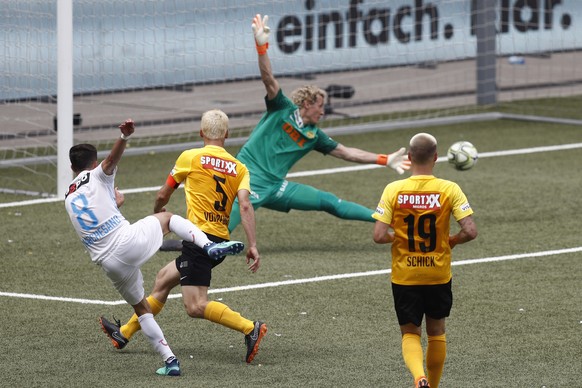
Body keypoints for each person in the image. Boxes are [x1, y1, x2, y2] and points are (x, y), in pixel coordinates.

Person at [64, 119, 245, 376]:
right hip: (126, 241)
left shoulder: (69, 196)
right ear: (93, 164)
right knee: (169, 218)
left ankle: (170, 360)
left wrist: (115, 204)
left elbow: (98, 217)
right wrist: (124, 138)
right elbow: (111, 161)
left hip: (109, 264)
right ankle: (208, 245)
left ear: (72, 167)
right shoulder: (98, 173)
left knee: (142, 310)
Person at [99, 109, 267, 364]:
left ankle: (250, 328)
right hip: (218, 238)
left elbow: (163, 194)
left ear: (201, 133)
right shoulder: (240, 168)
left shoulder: (190, 157)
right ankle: (124, 334)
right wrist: (252, 244)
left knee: (196, 305)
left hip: (199, 240)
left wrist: (158, 215)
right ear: (227, 135)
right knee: (163, 280)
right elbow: (245, 206)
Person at [224, 14, 411, 231]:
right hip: (248, 178)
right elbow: (268, 78)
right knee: (218, 236)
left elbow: (347, 153)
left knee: (329, 202)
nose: (323, 112)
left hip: (275, 186)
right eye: (320, 106)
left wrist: (385, 159)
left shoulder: (315, 135)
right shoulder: (282, 107)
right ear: (306, 103)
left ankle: (390, 220)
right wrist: (261, 46)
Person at [372, 133, 478, 388]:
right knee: (437, 333)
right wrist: (451, 240)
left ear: (409, 158)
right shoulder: (449, 189)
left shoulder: (394, 189)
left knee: (410, 333)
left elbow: (378, 236)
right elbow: (470, 231)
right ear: (436, 158)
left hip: (405, 275)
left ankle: (418, 377)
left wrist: (395, 237)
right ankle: (433, 385)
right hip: (438, 274)